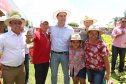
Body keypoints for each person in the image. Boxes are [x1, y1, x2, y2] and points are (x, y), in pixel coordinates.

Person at [0, 15, 26, 84]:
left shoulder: (23, 36)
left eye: (19, 23)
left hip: (21, 68)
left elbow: (24, 47)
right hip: (8, 70)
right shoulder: (3, 37)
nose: (17, 25)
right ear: (10, 24)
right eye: (15, 23)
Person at [49, 10, 74, 84]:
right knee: (53, 74)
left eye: (64, 16)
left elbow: (73, 42)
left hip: (65, 55)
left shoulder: (70, 29)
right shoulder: (51, 27)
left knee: (66, 74)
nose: (63, 18)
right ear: (57, 17)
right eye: (61, 16)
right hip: (54, 55)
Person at [26, 19, 51, 84]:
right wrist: (28, 39)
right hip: (38, 62)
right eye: (43, 24)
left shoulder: (48, 35)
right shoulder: (36, 33)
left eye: (46, 24)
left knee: (43, 79)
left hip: (46, 61)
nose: (45, 26)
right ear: (40, 25)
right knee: (39, 80)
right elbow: (30, 40)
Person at [20, 18, 33, 84]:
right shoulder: (16, 32)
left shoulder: (26, 32)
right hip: (19, 54)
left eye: (22, 23)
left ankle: (26, 80)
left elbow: (29, 41)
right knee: (19, 69)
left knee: (27, 68)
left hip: (26, 53)